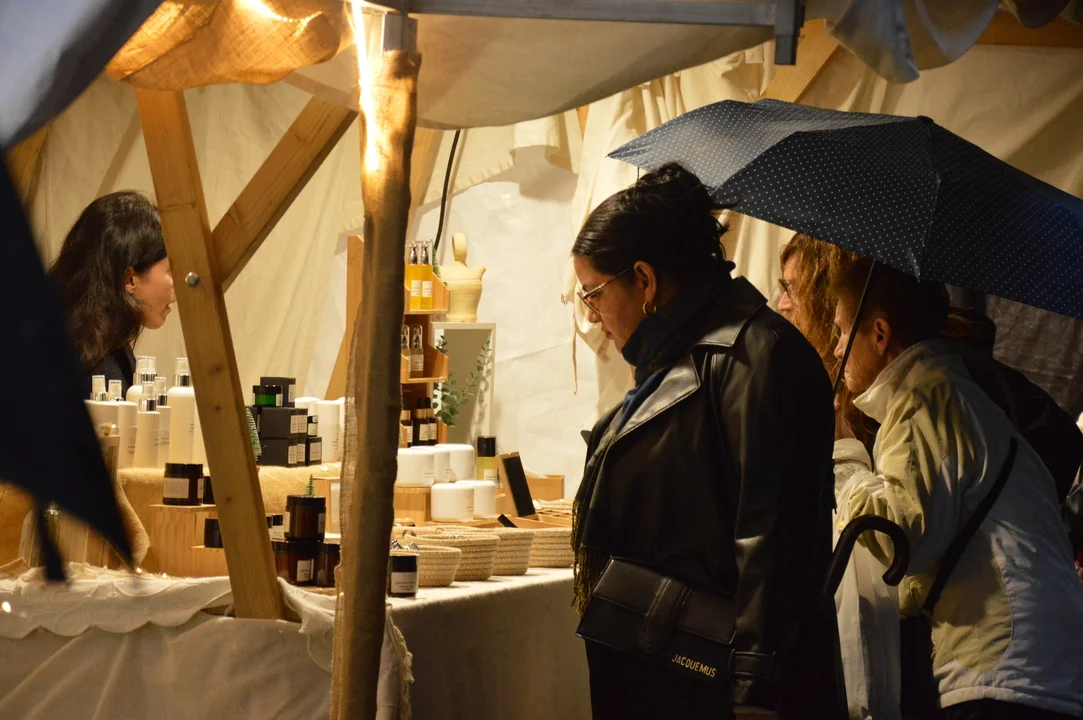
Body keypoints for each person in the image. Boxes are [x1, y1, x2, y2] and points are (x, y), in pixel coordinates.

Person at [571, 164, 844, 720]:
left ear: (645, 281)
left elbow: (772, 542)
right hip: (666, 669)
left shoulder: (757, 356)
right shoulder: (672, 361)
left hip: (717, 682)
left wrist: (755, 692)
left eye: (593, 294)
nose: (592, 316)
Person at [830, 257, 1083, 719]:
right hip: (1039, 663)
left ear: (880, 333)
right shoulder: (952, 391)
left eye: (843, 331)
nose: (836, 349)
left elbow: (903, 536)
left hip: (1003, 667)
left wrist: (846, 459)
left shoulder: (926, 397)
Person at [48, 191, 174, 396]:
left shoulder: (102, 344)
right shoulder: (94, 365)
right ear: (129, 279)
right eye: (171, 270)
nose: (179, 285)